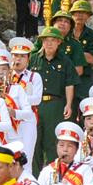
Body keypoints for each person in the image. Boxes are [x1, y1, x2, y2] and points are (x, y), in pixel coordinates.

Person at [28, 26, 76, 174]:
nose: (49, 44)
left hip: (55, 104)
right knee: (34, 142)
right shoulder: (33, 59)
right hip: (35, 104)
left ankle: (53, 176)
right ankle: (34, 177)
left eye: (53, 41)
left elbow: (69, 83)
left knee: (52, 142)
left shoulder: (65, 61)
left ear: (59, 43)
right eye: (46, 40)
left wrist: (68, 104)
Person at [6, 37, 43, 171]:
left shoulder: (34, 77)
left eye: (22, 56)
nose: (18, 59)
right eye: (15, 56)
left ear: (28, 59)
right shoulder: (6, 77)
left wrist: (18, 98)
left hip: (27, 119)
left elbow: (37, 99)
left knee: (26, 155)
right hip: (9, 119)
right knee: (10, 154)